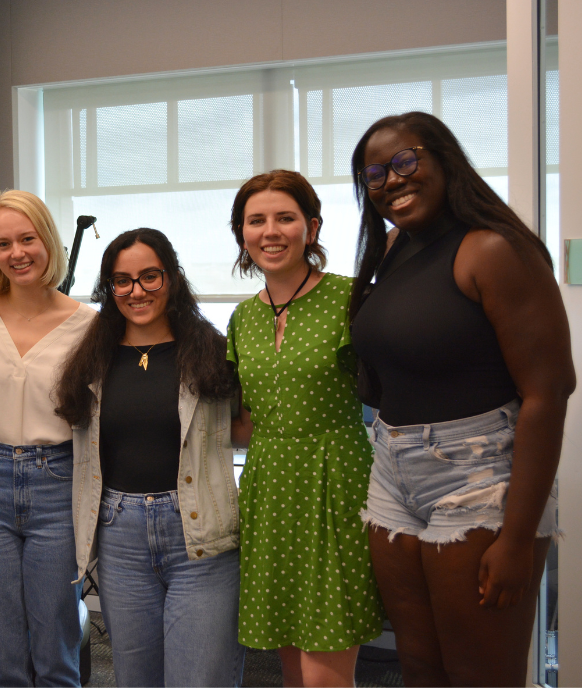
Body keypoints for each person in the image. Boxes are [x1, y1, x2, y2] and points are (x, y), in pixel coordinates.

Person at [348, 112, 573, 686]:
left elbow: (549, 392)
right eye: (376, 174)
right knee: (420, 668)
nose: (392, 181)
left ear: (445, 159)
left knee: (480, 674)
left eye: (406, 161)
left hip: (480, 475)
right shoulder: (395, 246)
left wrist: (518, 538)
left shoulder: (493, 249)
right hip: (393, 469)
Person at [55, 228, 245, 687]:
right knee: (134, 677)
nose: (136, 291)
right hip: (121, 536)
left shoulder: (213, 352)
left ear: (172, 278)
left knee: (200, 677)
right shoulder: (90, 360)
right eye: (122, 281)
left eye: (149, 277)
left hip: (199, 532)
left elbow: (250, 430)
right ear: (109, 289)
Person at [226, 170, 384, 687]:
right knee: (290, 661)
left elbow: (396, 390)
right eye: (257, 220)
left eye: (285, 218)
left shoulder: (352, 299)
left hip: (333, 481)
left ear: (311, 228)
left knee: (325, 670)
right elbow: (244, 418)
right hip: (268, 485)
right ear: (242, 234)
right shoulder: (242, 319)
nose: (271, 231)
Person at [0, 190, 96, 686]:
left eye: (27, 239)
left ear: (48, 240)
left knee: (54, 646)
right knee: (2, 648)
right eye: (2, 244)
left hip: (58, 481)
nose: (17, 253)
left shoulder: (89, 324)